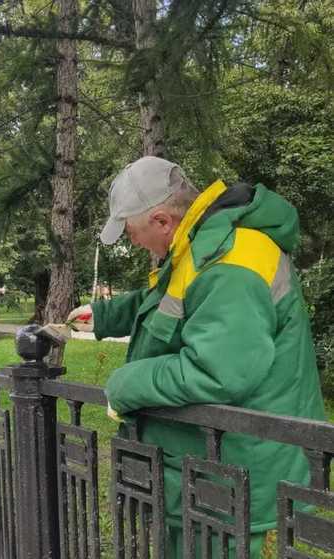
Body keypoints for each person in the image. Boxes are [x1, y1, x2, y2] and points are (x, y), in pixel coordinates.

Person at [67, 156, 326, 558]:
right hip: (208, 460)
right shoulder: (202, 244)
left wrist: (123, 385)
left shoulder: (231, 261)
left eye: (132, 232)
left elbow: (218, 371)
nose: (132, 242)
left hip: (232, 467)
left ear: (160, 220)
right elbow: (173, 301)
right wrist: (102, 315)